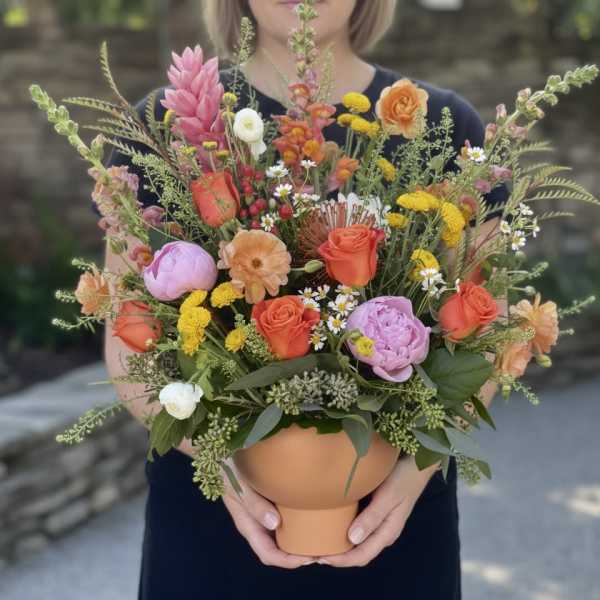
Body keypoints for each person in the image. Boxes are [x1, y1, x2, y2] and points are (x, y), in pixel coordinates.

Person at [103, 1, 506, 598]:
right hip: (211, 526)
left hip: (392, 523)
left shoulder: (446, 124)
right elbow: (126, 341)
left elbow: (488, 330)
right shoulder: (162, 125)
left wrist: (413, 475)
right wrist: (219, 468)